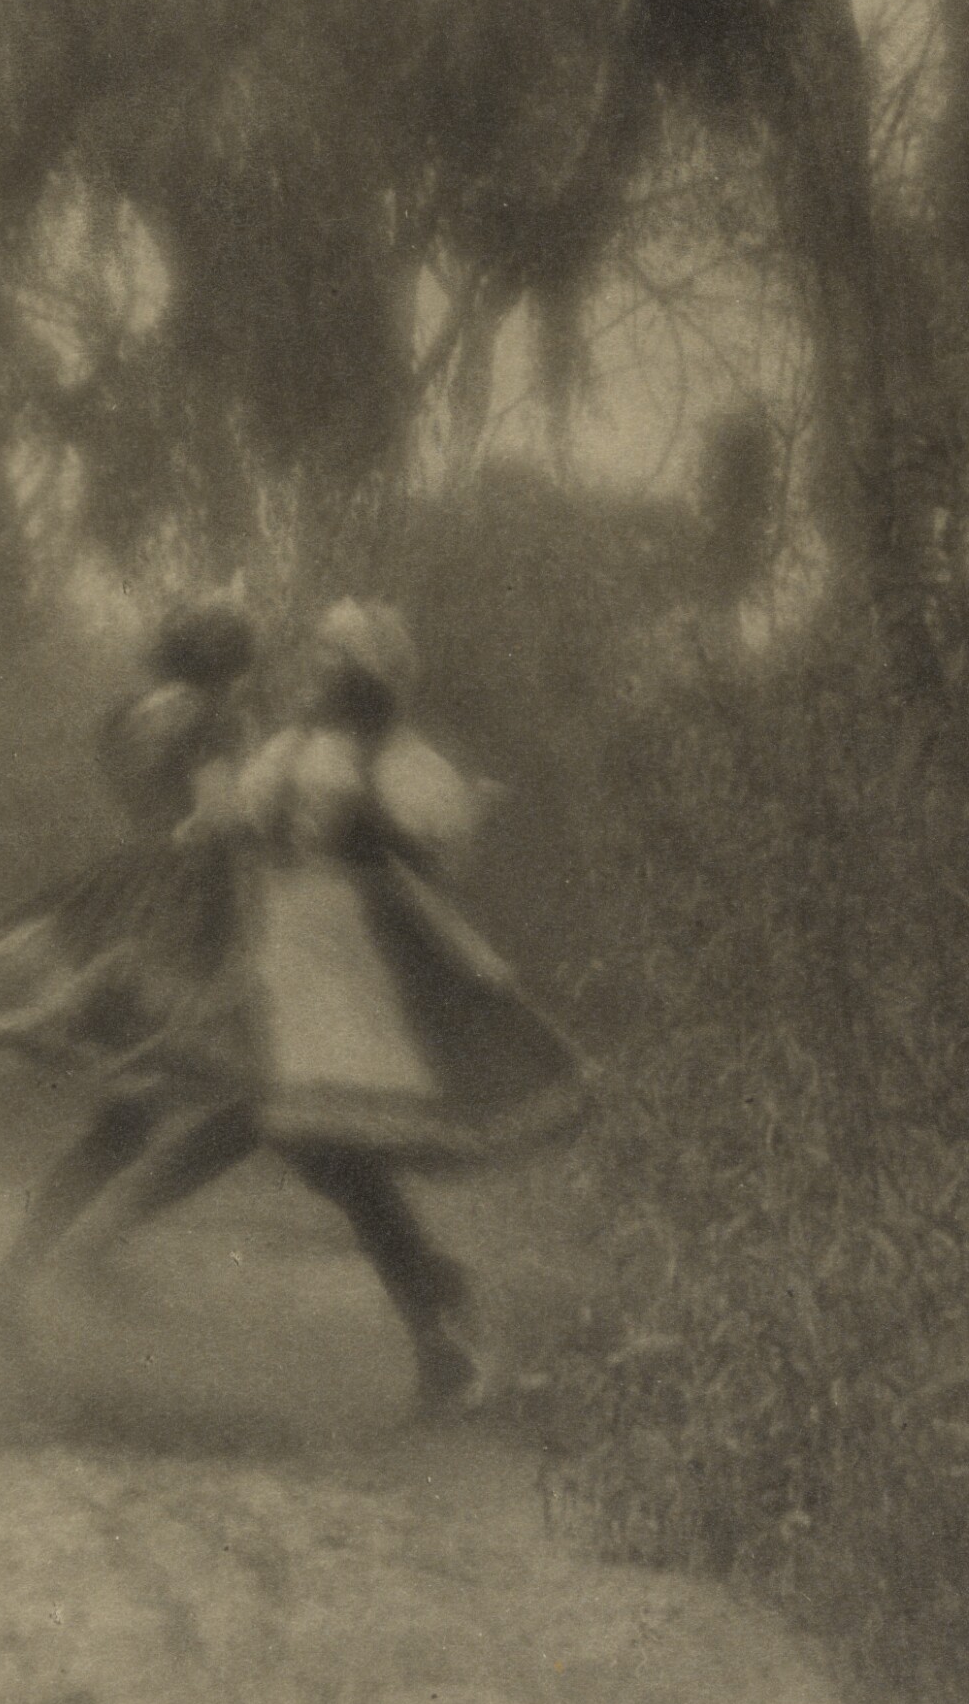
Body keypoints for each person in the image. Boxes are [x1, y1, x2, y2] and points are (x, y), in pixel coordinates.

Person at [48, 598, 590, 1416]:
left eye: (337, 659)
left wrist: (396, 829)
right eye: (318, 656)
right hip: (285, 952)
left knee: (315, 1142)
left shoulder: (397, 759)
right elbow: (240, 824)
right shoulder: (290, 747)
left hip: (358, 966)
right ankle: (443, 1321)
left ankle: (444, 1321)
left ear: (370, 673)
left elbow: (430, 850)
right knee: (319, 1148)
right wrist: (210, 836)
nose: (317, 670)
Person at [0, 594, 263, 1325]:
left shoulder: (131, 715)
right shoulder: (217, 719)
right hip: (190, 911)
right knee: (241, 1088)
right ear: (231, 664)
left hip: (123, 890)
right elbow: (220, 817)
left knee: (125, 1115)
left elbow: (143, 798)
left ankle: (17, 1272)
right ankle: (83, 1250)